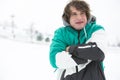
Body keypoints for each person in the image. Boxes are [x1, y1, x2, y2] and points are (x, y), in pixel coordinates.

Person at [49, 0, 107, 80]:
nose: (79, 17)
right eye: (74, 14)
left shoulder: (96, 29)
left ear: (87, 15)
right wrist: (89, 52)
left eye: (82, 13)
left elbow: (98, 52)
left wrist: (70, 49)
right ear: (67, 17)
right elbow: (55, 60)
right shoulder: (61, 33)